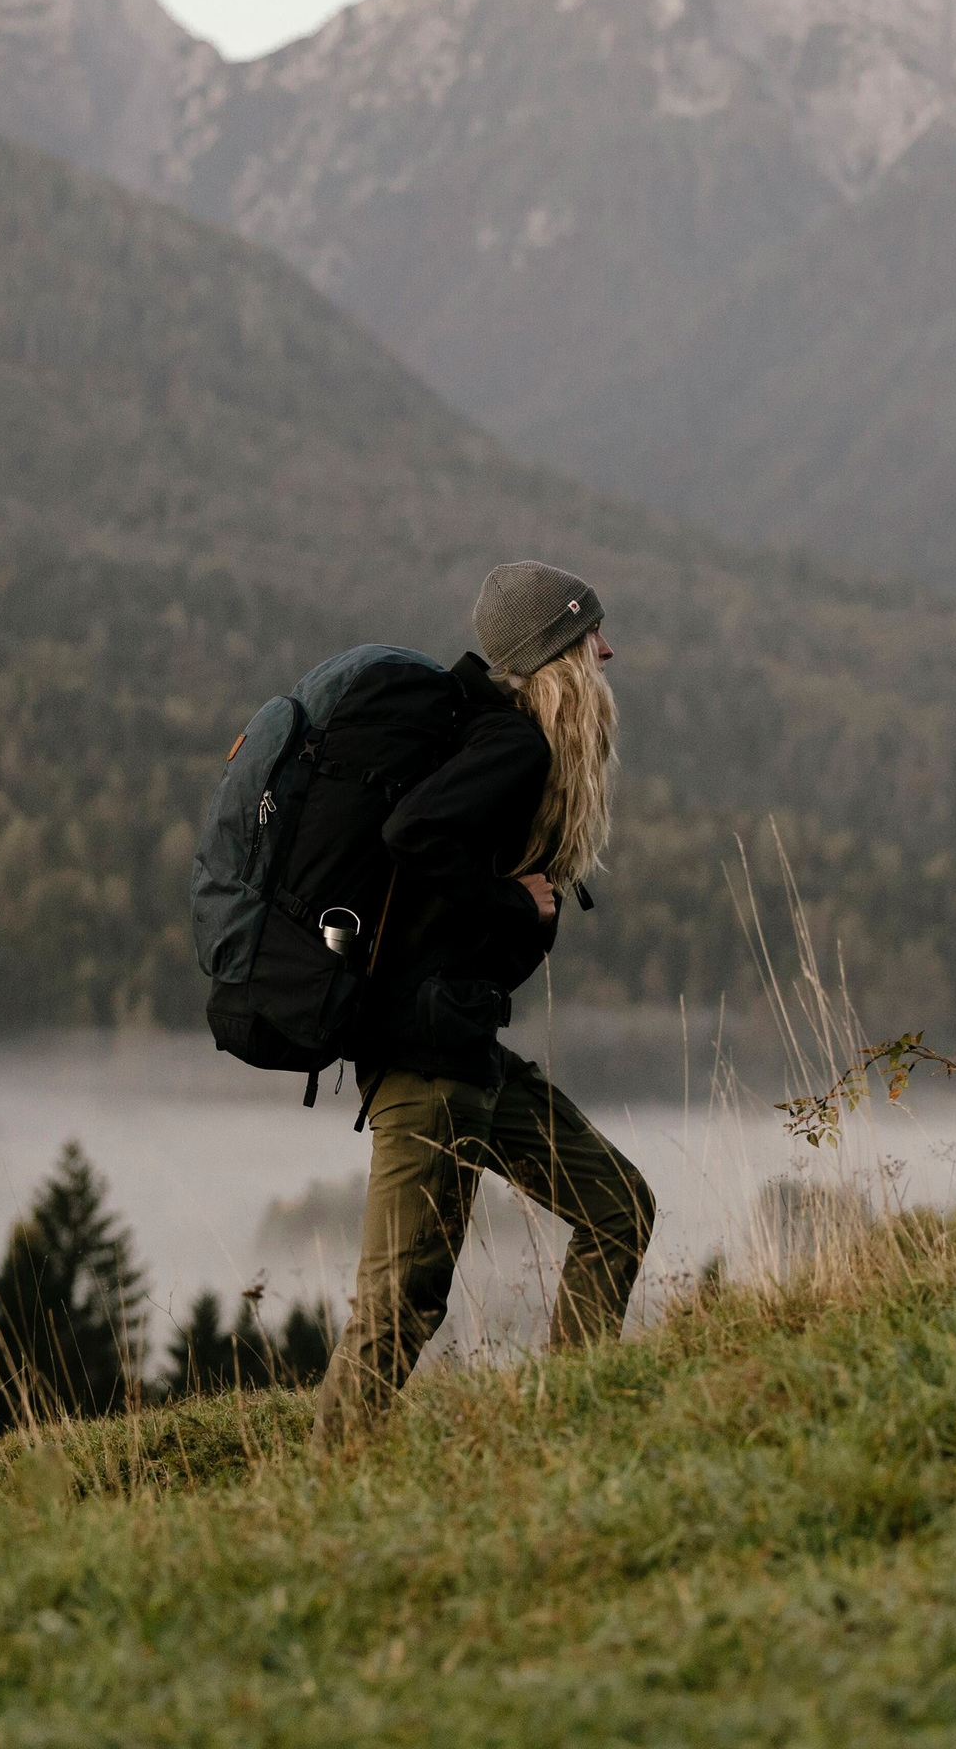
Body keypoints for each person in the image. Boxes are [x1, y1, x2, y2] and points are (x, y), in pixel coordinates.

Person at [313, 561, 655, 1448]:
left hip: (468, 1050)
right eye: (589, 637)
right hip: (427, 1061)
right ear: (554, 655)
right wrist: (515, 902)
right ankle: (322, 1485)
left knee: (618, 1206)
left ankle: (568, 1427)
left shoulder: (499, 739)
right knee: (400, 1306)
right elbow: (412, 833)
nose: (607, 650)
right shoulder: (512, 744)